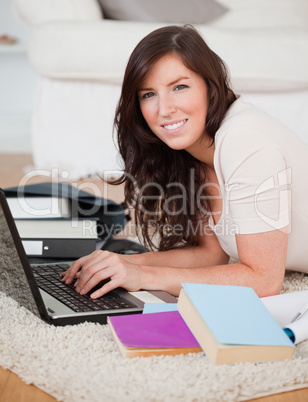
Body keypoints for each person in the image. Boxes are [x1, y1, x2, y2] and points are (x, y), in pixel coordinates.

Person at [61, 25, 308, 299]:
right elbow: (211, 254)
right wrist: (120, 263)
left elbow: (264, 280)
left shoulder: (244, 141)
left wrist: (144, 276)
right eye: (148, 94)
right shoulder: (195, 149)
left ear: (209, 86)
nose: (164, 109)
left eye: (179, 87)